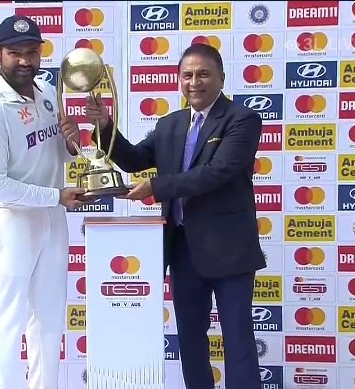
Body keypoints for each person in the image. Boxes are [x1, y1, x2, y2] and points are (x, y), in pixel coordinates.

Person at [86, 43, 264, 388]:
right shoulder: (171, 124)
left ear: (221, 78)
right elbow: (135, 159)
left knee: (239, 342)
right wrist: (105, 126)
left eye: (203, 74)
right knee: (191, 341)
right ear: (179, 80)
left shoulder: (242, 119)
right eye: (187, 75)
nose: (194, 82)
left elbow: (216, 172)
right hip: (182, 250)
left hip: (230, 251)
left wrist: (157, 185)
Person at [0, 14, 88, 389]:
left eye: (32, 52)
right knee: (7, 318)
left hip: (52, 218)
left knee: (50, 315)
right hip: (13, 222)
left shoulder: (48, 92)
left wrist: (73, 143)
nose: (25, 61)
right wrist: (55, 196)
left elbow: (59, 155)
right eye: (15, 53)